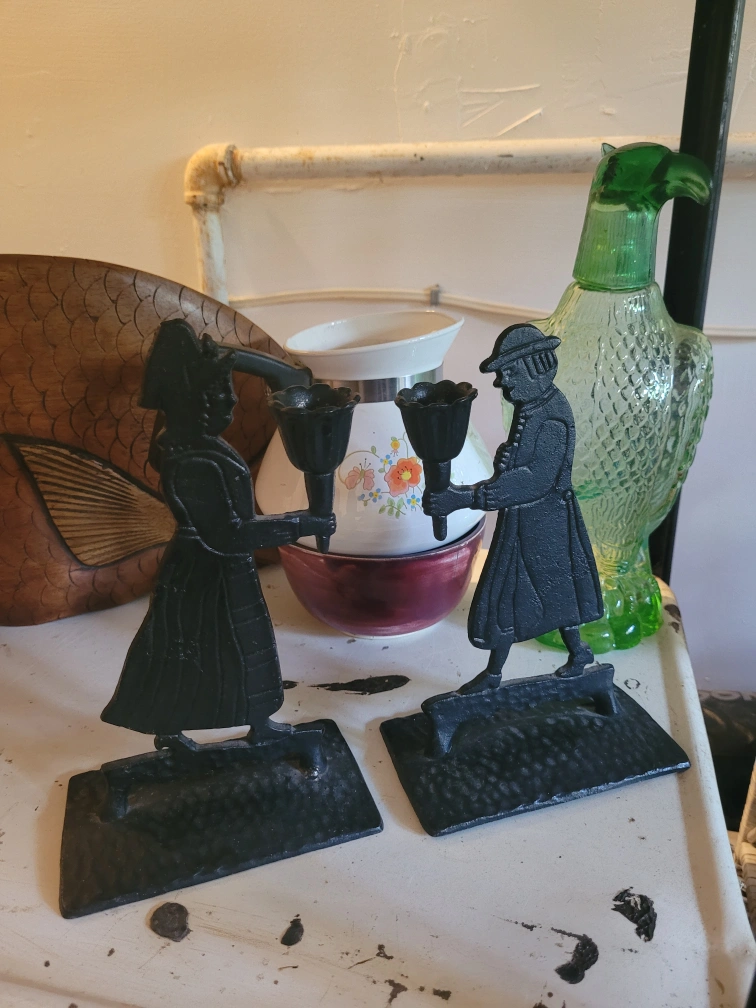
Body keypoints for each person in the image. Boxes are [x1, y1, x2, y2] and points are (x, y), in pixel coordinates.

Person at [101, 319, 333, 743]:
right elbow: (227, 534)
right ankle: (173, 731)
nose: (230, 400)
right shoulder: (193, 462)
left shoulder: (197, 448)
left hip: (221, 568)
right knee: (204, 650)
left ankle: (258, 723)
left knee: (242, 647)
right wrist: (301, 524)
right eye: (217, 393)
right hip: (206, 572)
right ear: (192, 402)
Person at [424, 323, 602, 694]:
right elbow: (524, 470)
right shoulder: (535, 409)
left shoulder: (551, 417)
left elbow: (534, 481)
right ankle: (499, 673)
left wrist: (466, 498)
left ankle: (572, 656)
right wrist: (507, 461)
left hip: (546, 523)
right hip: (526, 521)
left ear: (534, 368)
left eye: (509, 373)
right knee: (513, 594)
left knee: (547, 592)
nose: (501, 383)